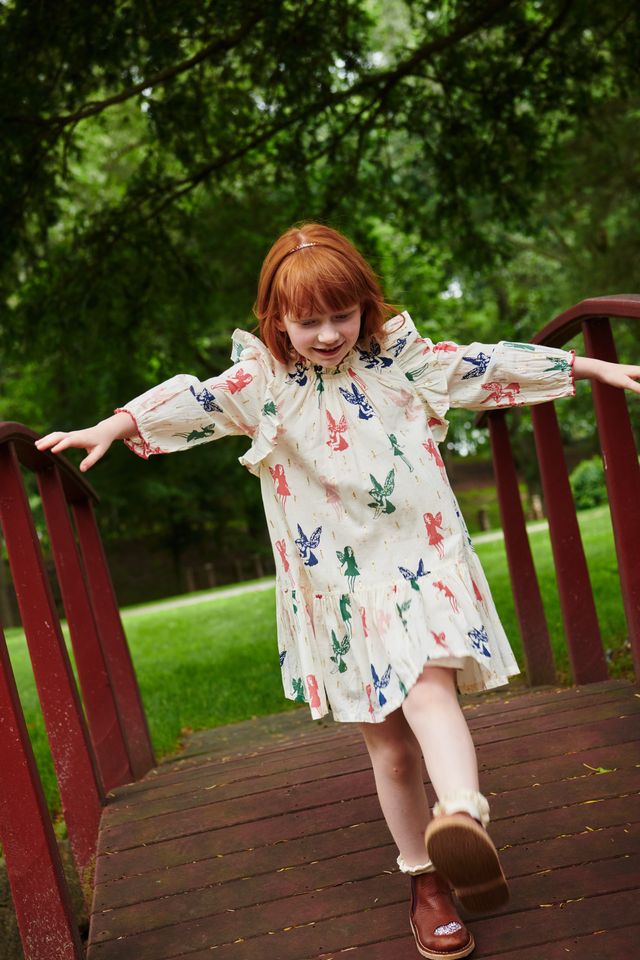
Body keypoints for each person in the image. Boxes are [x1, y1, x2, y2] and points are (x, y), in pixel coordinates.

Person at [35, 223, 640, 960]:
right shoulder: (259, 384)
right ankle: (425, 877)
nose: (327, 334)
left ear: (365, 307)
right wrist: (114, 423)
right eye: (308, 320)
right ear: (276, 319)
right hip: (335, 590)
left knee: (429, 693)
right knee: (389, 751)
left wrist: (590, 369)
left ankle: (462, 818)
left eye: (342, 315)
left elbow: (484, 364)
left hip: (422, 561)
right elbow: (191, 397)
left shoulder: (400, 361)